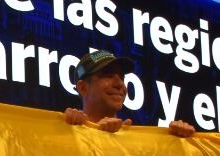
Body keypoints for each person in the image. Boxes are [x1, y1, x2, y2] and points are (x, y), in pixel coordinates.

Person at [65, 49, 196, 136]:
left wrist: (180, 144)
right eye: (108, 75)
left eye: (122, 77)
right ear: (83, 88)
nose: (119, 84)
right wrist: (71, 131)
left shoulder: (138, 140)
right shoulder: (68, 132)